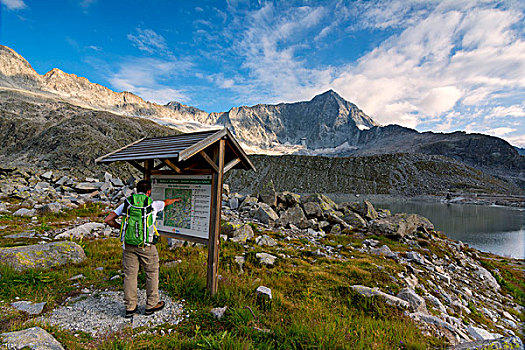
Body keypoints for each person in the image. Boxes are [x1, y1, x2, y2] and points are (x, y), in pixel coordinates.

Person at [104, 179, 180, 318]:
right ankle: (151, 305)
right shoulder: (154, 204)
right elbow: (167, 202)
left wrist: (120, 227)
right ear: (149, 192)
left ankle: (130, 308)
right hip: (147, 245)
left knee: (130, 275)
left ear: (136, 190)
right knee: (151, 273)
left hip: (129, 245)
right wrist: (176, 200)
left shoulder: (127, 203)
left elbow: (108, 219)